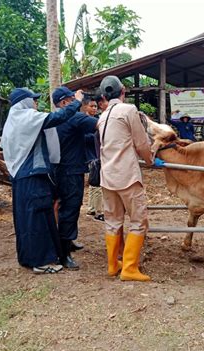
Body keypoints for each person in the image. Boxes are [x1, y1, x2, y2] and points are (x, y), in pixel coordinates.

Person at [0, 87, 84, 274]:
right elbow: (57, 118)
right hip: (32, 176)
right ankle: (42, 261)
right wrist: (77, 102)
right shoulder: (25, 116)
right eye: (33, 100)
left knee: (26, 218)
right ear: (25, 101)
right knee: (38, 217)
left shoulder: (13, 120)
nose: (36, 103)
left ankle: (28, 258)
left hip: (22, 176)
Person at [98, 75, 154, 281]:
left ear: (104, 96)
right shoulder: (129, 110)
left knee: (113, 220)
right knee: (139, 220)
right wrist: (150, 160)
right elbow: (141, 142)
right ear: (123, 91)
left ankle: (113, 265)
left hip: (107, 176)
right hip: (127, 176)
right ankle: (130, 268)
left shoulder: (102, 117)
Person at [51, 87, 98, 270]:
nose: (77, 102)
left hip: (59, 169)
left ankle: (68, 242)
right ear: (64, 103)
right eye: (73, 99)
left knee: (67, 208)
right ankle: (64, 255)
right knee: (70, 210)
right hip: (71, 171)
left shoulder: (53, 118)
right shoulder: (72, 117)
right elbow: (100, 124)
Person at [82, 95, 104, 222]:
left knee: (93, 183)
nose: (94, 108)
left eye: (95, 106)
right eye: (92, 106)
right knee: (97, 185)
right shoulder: (84, 121)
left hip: (94, 155)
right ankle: (98, 211)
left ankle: (92, 208)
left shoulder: (95, 120)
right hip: (90, 156)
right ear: (85, 106)